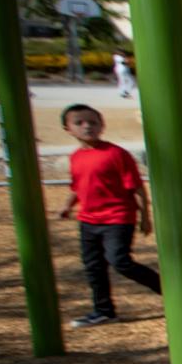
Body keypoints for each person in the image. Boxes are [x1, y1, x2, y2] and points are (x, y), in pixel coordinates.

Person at [55, 104, 160, 327]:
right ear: (68, 129)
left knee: (120, 261)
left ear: (102, 125)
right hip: (88, 220)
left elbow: (136, 187)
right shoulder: (75, 157)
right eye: (80, 123)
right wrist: (67, 207)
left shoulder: (116, 154)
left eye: (93, 122)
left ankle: (167, 291)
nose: (87, 127)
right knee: (93, 266)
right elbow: (77, 187)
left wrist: (145, 217)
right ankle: (103, 311)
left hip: (118, 217)